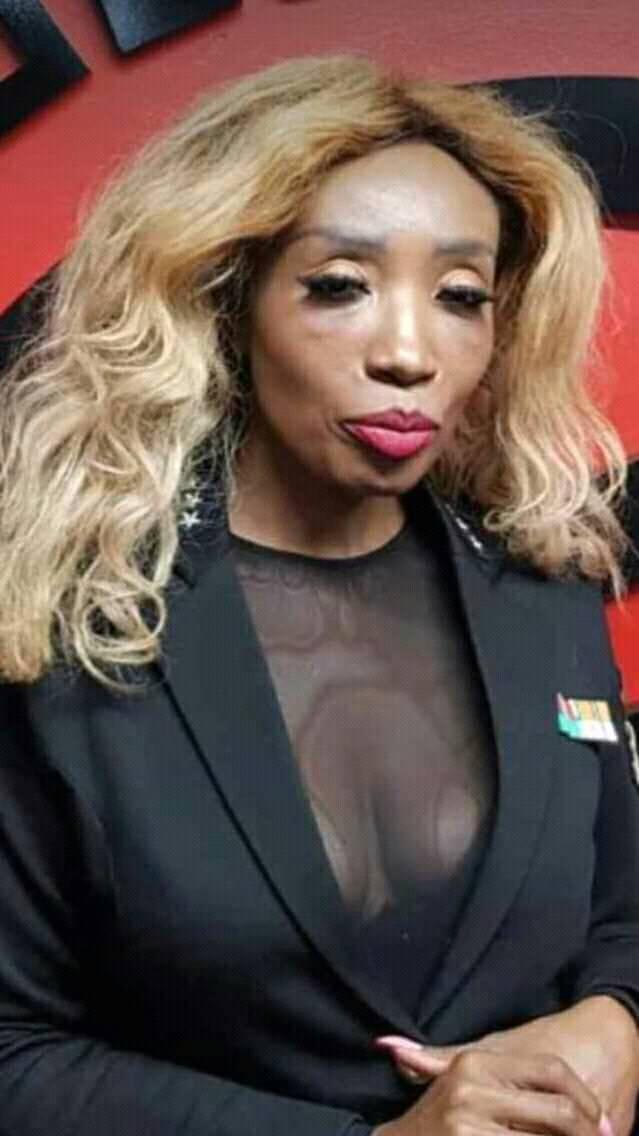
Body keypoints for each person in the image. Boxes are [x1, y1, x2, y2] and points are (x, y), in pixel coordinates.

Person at [0, 52, 638, 1136]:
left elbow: (618, 913)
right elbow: (14, 1049)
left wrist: (619, 1017)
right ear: (229, 299)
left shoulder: (545, 584)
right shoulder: (64, 617)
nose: (409, 352)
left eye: (461, 297)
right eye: (341, 285)